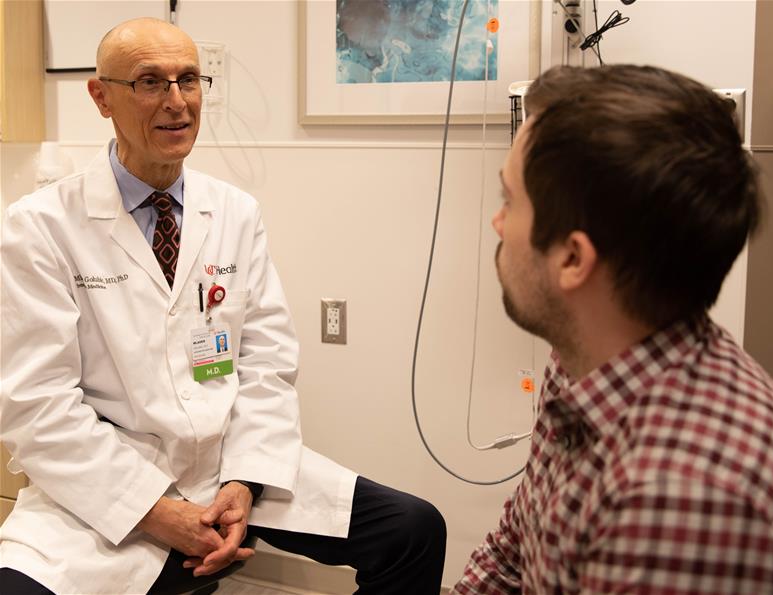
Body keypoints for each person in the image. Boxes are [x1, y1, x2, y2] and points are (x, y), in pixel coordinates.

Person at [0, 18, 445, 595]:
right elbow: (37, 405)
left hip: (226, 465)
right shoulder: (39, 227)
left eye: (189, 80)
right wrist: (156, 510)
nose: (177, 102)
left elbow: (267, 361)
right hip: (103, 486)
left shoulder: (235, 212)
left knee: (413, 530)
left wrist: (244, 482)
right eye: (150, 82)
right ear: (101, 96)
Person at [452, 65, 773, 594]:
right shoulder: (585, 361)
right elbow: (513, 552)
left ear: (574, 259)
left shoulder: (678, 500)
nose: (498, 222)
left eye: (510, 200)